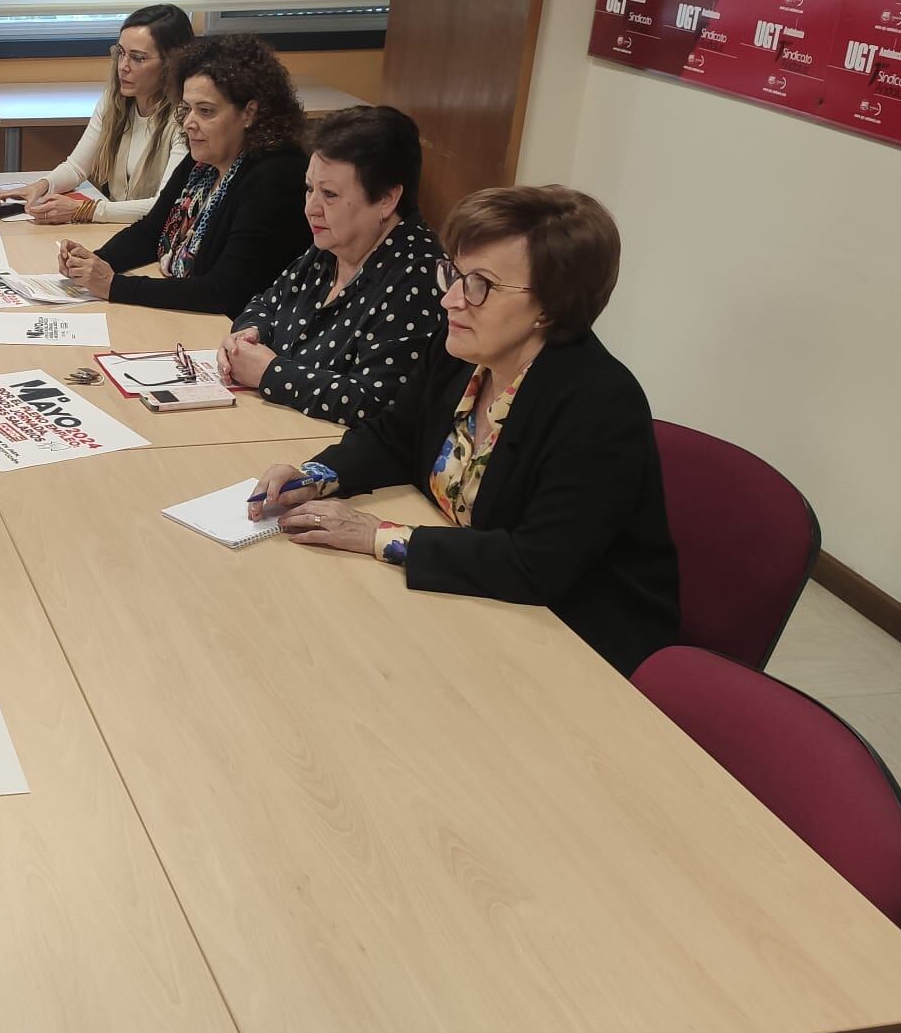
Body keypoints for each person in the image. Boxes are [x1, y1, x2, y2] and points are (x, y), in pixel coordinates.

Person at [248, 185, 679, 675]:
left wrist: (379, 535)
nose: (452, 298)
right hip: (473, 606)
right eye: (454, 274)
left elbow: (537, 564)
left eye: (481, 285)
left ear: (551, 308)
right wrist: (314, 477)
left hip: (573, 639)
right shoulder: (463, 352)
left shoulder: (600, 404)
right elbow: (392, 434)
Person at [218, 105, 445, 425]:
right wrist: (249, 335)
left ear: (386, 199)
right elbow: (265, 303)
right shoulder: (330, 247)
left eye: (330, 194)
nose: (311, 208)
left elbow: (377, 403)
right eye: (310, 188)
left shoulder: (418, 277)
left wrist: (270, 373)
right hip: (275, 427)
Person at [56, 34, 310, 315]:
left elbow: (224, 291)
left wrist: (114, 286)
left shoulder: (278, 176)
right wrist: (95, 260)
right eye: (187, 109)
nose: (189, 123)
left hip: (236, 330)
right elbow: (151, 231)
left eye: (206, 111)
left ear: (249, 113)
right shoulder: (202, 162)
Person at [7, 3, 193, 224]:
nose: (123, 66)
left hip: (152, 239)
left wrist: (84, 210)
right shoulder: (113, 100)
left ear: (172, 65)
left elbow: (163, 206)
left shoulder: (186, 118)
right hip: (116, 230)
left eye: (138, 58)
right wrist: (41, 186)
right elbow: (77, 167)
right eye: (121, 53)